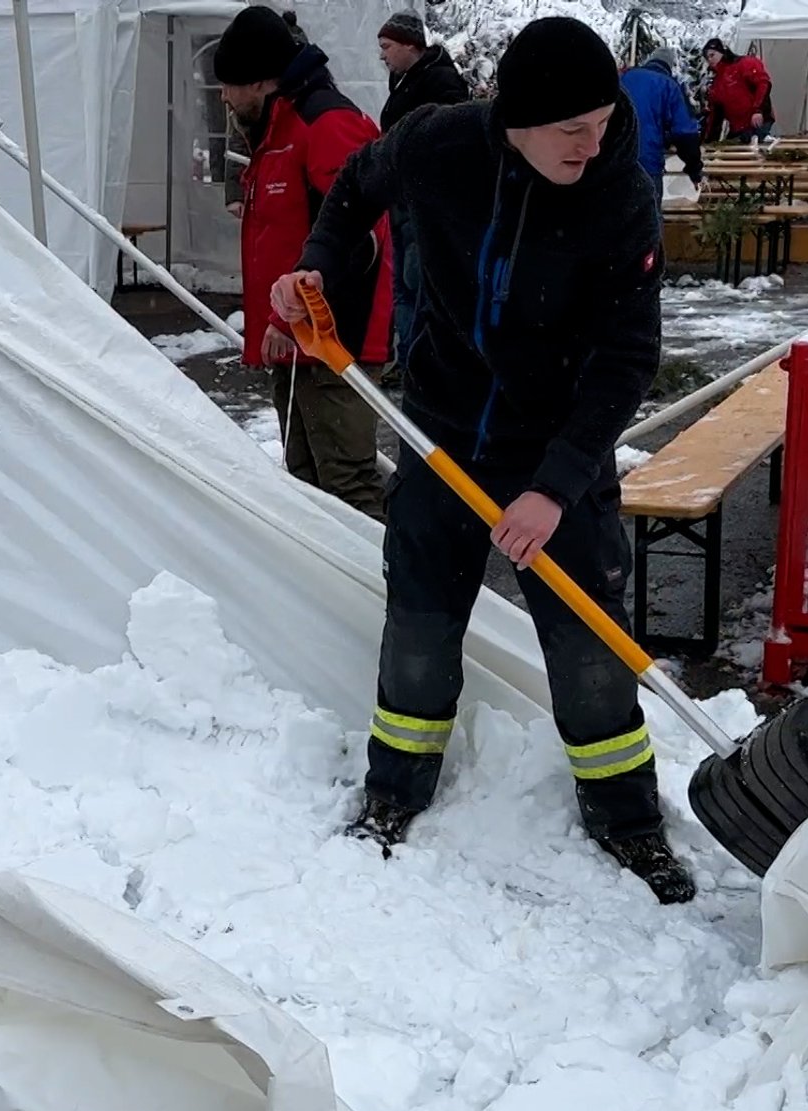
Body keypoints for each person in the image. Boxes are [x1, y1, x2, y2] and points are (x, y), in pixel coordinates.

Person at [270, 16, 694, 904]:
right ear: (514, 120)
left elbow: (626, 356)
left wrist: (554, 487)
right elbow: (353, 191)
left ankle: (627, 819)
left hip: (554, 450)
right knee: (420, 629)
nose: (597, 141)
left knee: (587, 649)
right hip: (441, 431)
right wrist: (313, 267)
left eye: (604, 120)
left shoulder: (619, 196)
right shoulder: (439, 143)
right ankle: (393, 792)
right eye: (570, 128)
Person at [218, 4, 393, 520]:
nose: (224, 99)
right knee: (307, 481)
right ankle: (322, 591)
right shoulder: (278, 129)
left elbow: (355, 235)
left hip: (333, 338)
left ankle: (379, 590)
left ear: (259, 82)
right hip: (298, 339)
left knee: (346, 481)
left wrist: (287, 317)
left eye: (228, 86)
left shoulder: (325, 125)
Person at [376, 10, 469, 374]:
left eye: (386, 47)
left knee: (418, 282)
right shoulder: (404, 80)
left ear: (409, 45)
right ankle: (407, 356)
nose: (382, 56)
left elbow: (452, 139)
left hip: (425, 200)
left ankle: (421, 359)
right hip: (401, 196)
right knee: (403, 284)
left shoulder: (440, 81)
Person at [619, 46, 704, 212]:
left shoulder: (625, 78)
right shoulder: (668, 85)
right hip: (647, 165)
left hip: (616, 163)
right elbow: (685, 133)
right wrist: (694, 169)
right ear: (668, 66)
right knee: (647, 224)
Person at [701, 38, 773, 143]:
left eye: (712, 55)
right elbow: (716, 113)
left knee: (757, 146)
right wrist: (710, 141)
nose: (710, 60)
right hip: (738, 127)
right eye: (707, 58)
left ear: (722, 51)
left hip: (758, 121)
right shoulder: (717, 82)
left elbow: (763, 85)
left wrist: (758, 110)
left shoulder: (745, 63)